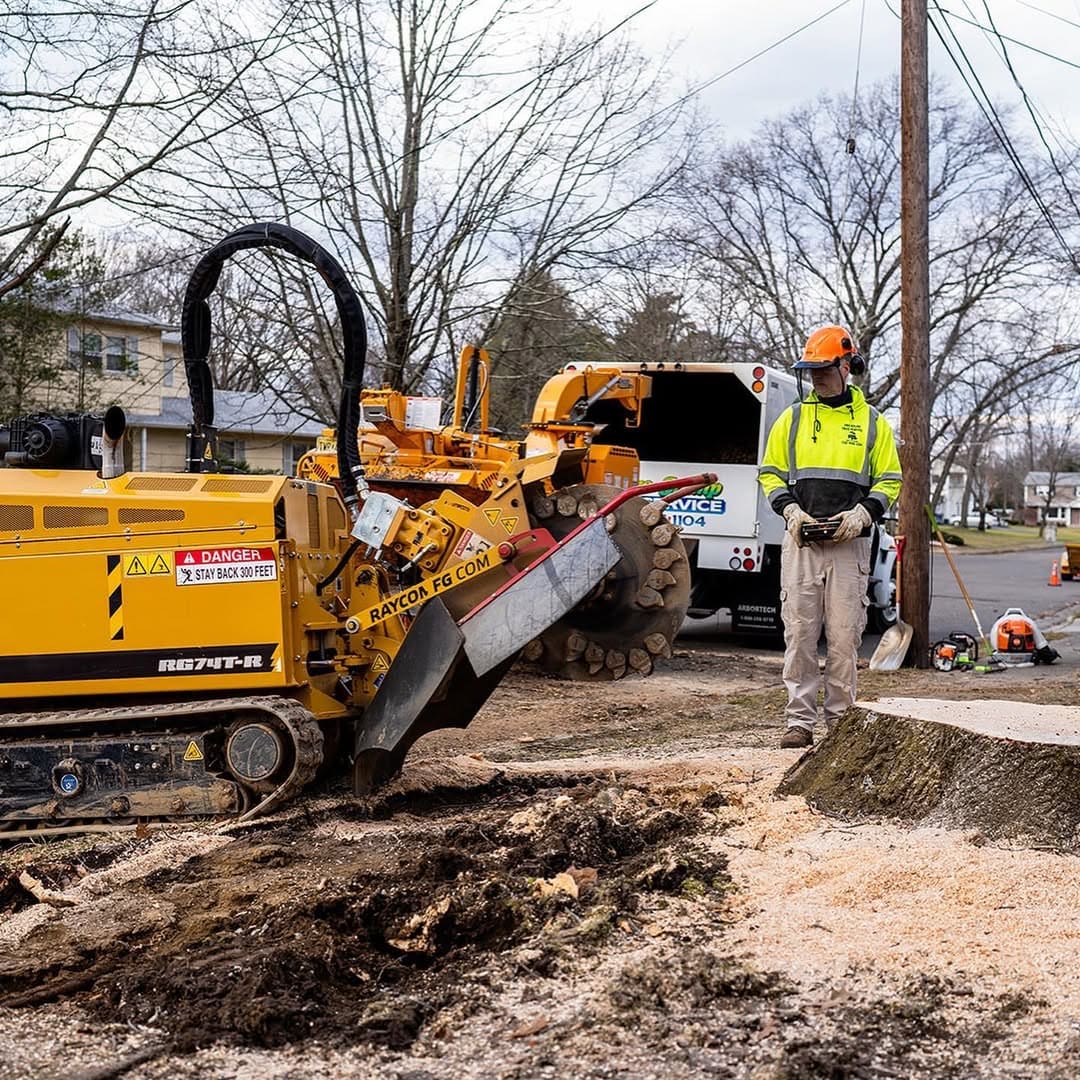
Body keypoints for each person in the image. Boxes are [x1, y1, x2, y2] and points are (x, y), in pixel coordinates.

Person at [758, 325, 902, 748]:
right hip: (802, 541)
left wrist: (864, 514)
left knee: (844, 637)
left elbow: (890, 480)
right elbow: (770, 473)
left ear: (847, 366)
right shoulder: (794, 419)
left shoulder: (873, 424)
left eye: (824, 369)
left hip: (850, 544)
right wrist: (790, 511)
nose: (817, 377)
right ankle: (798, 722)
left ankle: (840, 723)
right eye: (811, 370)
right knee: (800, 634)